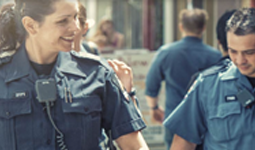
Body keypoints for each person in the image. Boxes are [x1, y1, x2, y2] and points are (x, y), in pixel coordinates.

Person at [0, 0, 149, 150]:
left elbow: (135, 146)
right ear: (31, 25)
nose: (75, 28)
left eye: (75, 17)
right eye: (63, 21)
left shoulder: (98, 74)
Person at [164, 7, 255, 150]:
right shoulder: (208, 85)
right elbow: (183, 143)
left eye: (249, 52)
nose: (239, 60)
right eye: (232, 51)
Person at [145, 8, 221, 150]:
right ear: (203, 28)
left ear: (181, 27)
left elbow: (151, 85)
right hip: (207, 120)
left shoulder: (166, 52)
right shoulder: (215, 56)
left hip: (175, 117)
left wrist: (153, 108)